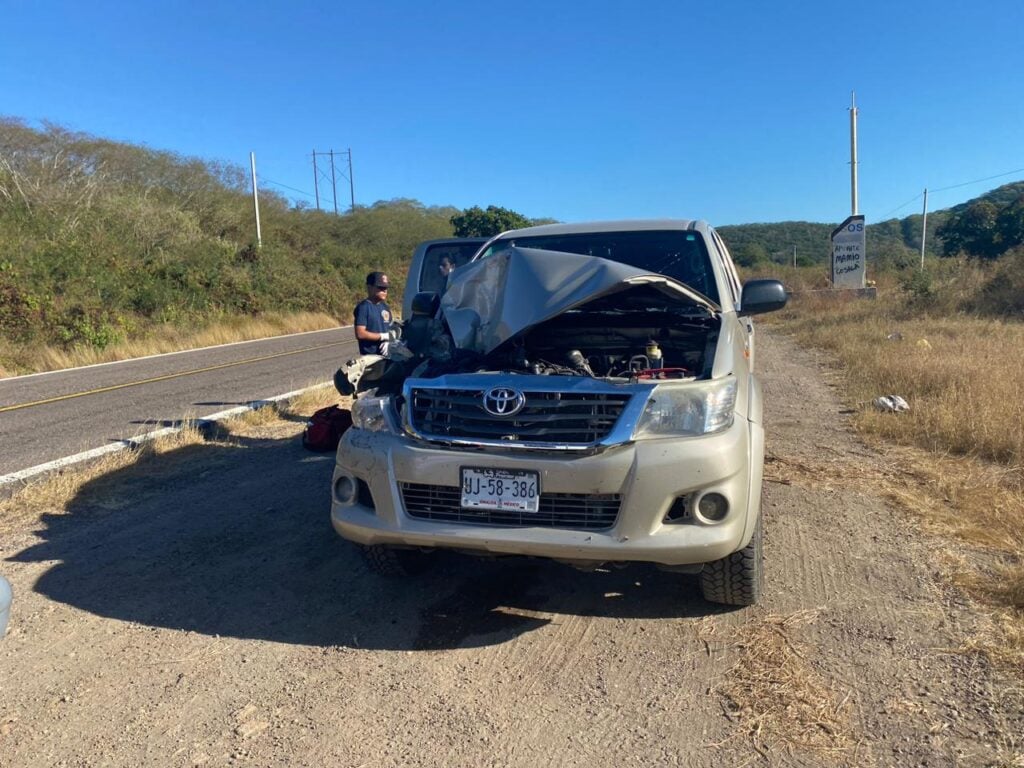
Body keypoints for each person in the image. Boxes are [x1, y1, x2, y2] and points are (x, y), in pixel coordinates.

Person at [354, 271, 395, 355]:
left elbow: (391, 329)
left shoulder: (385, 307)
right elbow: (360, 333)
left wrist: (389, 340)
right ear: (370, 287)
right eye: (380, 288)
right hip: (371, 356)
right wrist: (382, 336)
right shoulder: (363, 307)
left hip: (387, 354)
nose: (384, 291)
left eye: (386, 288)